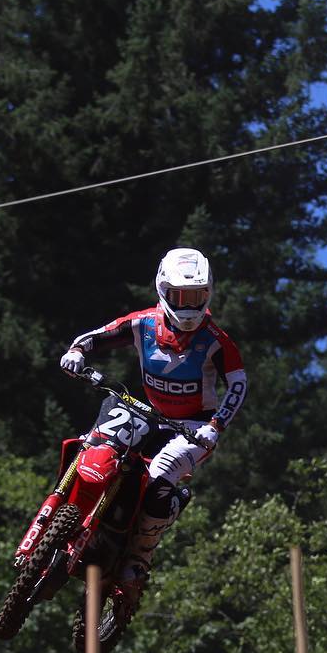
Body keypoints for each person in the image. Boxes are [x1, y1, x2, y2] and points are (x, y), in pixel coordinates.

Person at [58, 248, 247, 608]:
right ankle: (74, 513)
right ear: (163, 289)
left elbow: (238, 383)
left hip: (193, 427)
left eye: (197, 296)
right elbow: (98, 335)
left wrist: (216, 425)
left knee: (160, 479)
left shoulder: (216, 341)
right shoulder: (143, 322)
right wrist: (77, 353)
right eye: (181, 296)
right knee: (100, 442)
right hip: (148, 412)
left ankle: (137, 562)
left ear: (208, 294)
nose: (189, 305)